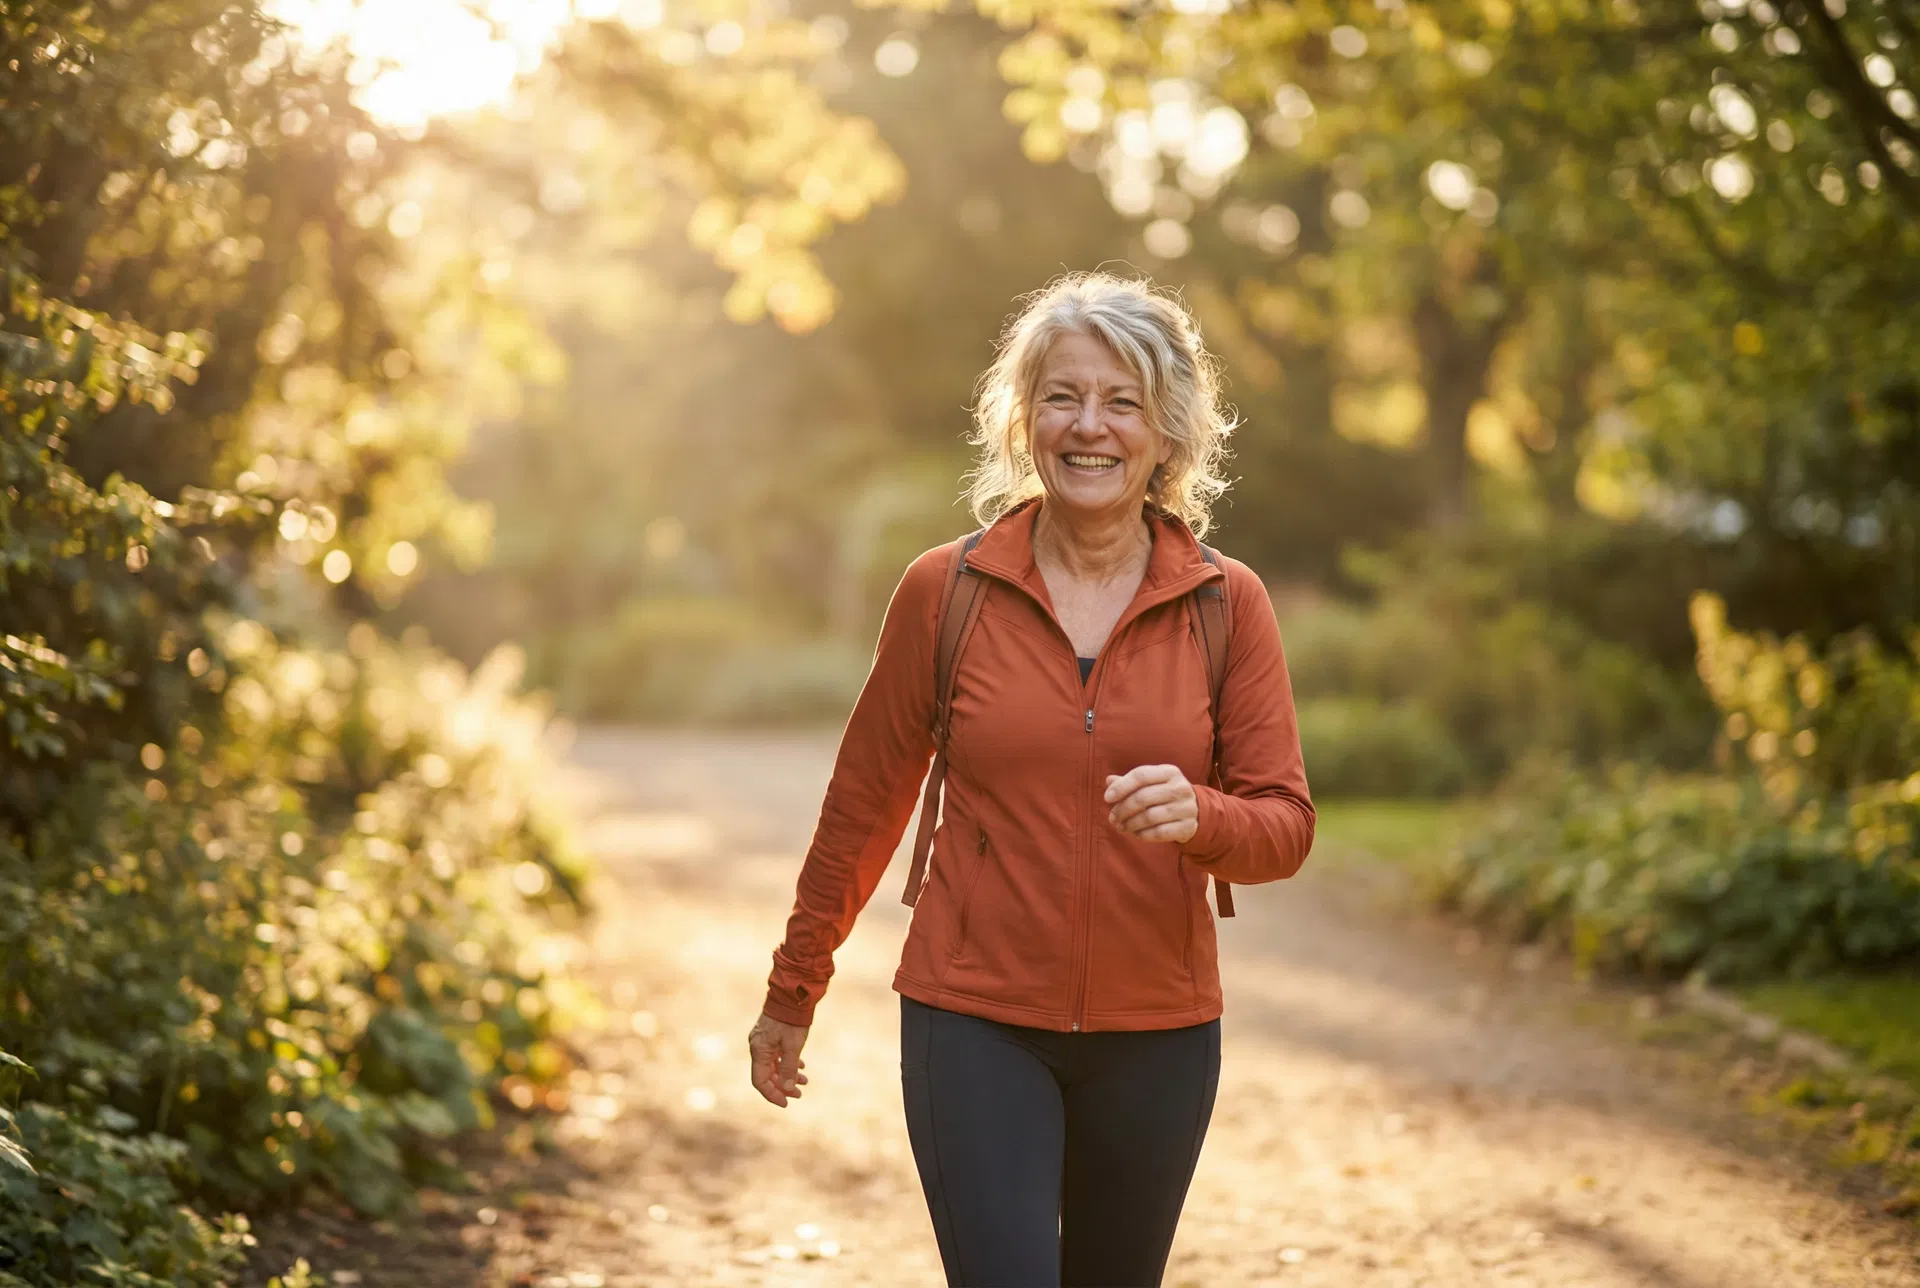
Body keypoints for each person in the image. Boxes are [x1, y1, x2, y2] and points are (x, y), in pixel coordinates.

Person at [745, 272, 1315, 1288]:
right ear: (1024, 419)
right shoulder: (946, 591)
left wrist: (1203, 815)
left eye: (1121, 401)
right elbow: (862, 806)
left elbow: (1284, 826)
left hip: (1161, 1033)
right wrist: (795, 988)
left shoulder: (1228, 606)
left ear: (1168, 434)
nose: (1088, 426)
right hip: (974, 1019)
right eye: (1061, 396)